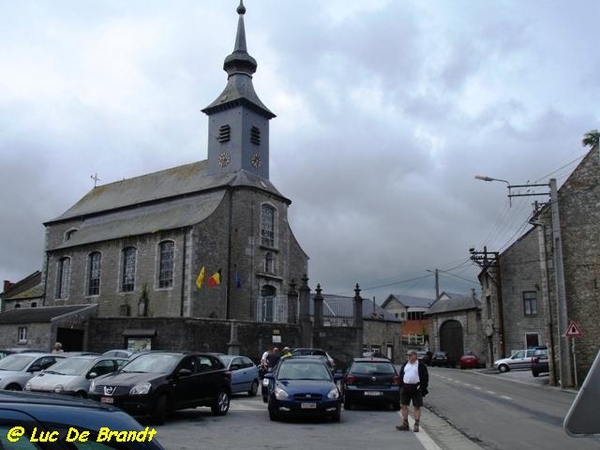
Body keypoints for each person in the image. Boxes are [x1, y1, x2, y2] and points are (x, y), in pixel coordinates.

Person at [396, 349, 429, 432]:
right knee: (403, 405)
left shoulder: (420, 365)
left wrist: (422, 387)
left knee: (416, 406)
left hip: (416, 388)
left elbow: (425, 377)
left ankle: (416, 425)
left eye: (410, 355)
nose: (409, 357)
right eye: (408, 355)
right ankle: (405, 424)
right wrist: (401, 386)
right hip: (405, 387)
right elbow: (401, 375)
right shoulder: (405, 365)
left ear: (415, 356)